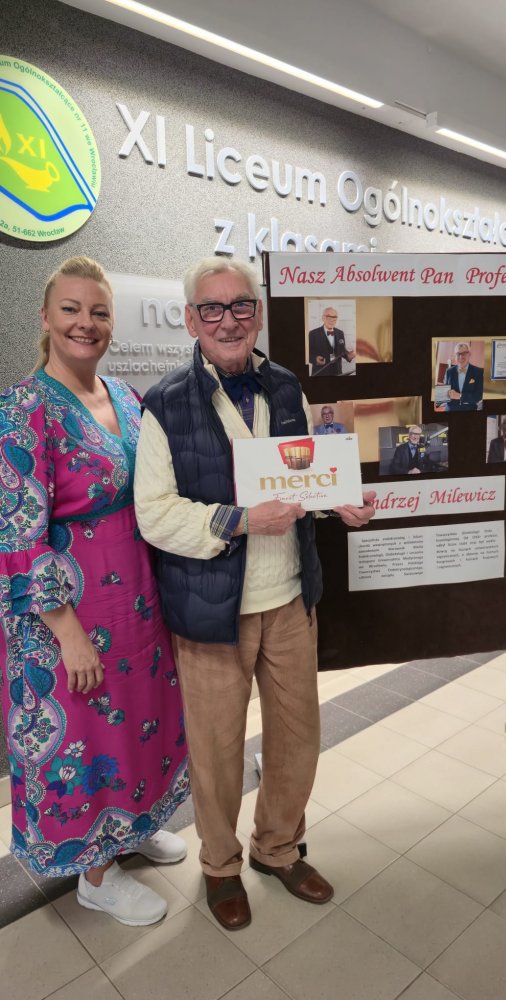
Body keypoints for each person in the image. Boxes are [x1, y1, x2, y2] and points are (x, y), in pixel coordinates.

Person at [134, 257, 374, 932]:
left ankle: (277, 848)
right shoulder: (163, 403)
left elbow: (302, 481)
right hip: (212, 612)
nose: (228, 320)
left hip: (290, 599)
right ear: (191, 320)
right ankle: (220, 865)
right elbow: (154, 513)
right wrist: (237, 520)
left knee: (299, 739)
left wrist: (340, 503)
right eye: (211, 308)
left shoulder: (287, 387)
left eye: (241, 305)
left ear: (258, 315)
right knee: (215, 754)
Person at [0, 257, 190, 927]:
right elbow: (18, 533)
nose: (86, 323)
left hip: (135, 600)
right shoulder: (24, 409)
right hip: (69, 613)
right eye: (72, 309)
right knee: (89, 738)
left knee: (136, 724)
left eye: (99, 311)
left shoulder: (127, 398)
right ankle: (96, 876)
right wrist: (68, 633)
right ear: (46, 318)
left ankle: (133, 827)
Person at [308, 306, 356, 376]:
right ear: (323, 318)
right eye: (329, 317)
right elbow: (308, 354)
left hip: (337, 373)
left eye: (334, 317)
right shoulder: (313, 333)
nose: (332, 320)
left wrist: (349, 355)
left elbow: (342, 351)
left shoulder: (340, 333)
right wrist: (315, 359)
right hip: (320, 374)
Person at [444, 342, 484, 411]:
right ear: (455, 355)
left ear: (469, 354)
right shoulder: (449, 371)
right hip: (450, 410)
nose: (461, 357)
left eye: (464, 353)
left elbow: (479, 396)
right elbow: (445, 392)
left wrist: (460, 396)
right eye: (458, 354)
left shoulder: (479, 372)